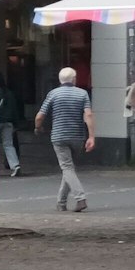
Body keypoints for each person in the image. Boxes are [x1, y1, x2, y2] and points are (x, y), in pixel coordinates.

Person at [34, 67, 94, 212]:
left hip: (59, 136)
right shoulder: (82, 94)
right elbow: (88, 115)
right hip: (77, 136)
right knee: (69, 168)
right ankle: (61, 202)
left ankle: (80, 198)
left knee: (67, 168)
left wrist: (38, 128)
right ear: (74, 79)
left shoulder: (53, 94)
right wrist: (91, 136)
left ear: (60, 80)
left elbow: (39, 116)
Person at [0, 73, 23, 178]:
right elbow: (14, 110)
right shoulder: (9, 93)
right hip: (8, 123)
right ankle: (15, 166)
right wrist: (16, 124)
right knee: (8, 144)